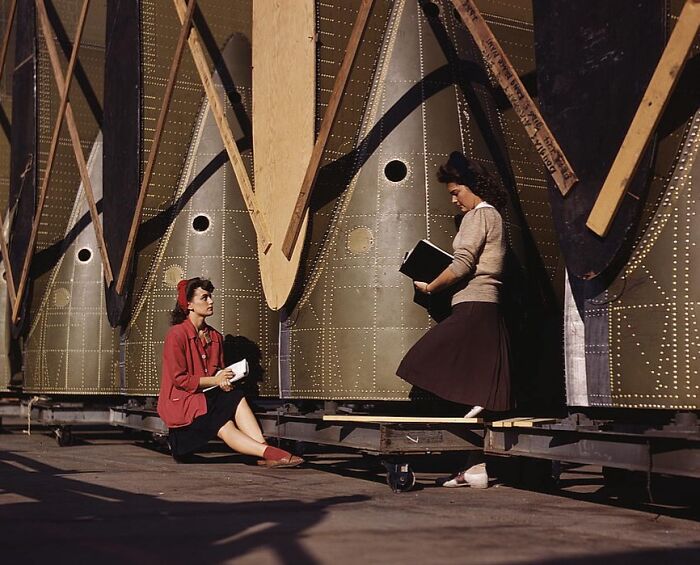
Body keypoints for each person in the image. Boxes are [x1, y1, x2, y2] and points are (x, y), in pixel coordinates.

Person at [396, 152, 512, 486]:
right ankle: (475, 467)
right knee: (471, 379)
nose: (453, 199)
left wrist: (429, 285)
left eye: (456, 191)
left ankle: (478, 401)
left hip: (474, 306)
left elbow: (462, 264)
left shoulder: (479, 215)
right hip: (483, 306)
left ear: (473, 186)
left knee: (419, 361)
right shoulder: (495, 216)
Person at [158, 277, 303, 468]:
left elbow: (217, 372)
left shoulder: (215, 337)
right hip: (185, 416)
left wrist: (225, 379)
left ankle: (265, 452)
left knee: (236, 396)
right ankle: (269, 452)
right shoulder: (176, 335)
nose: (211, 301)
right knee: (223, 423)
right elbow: (179, 379)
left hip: (205, 403)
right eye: (205, 297)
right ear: (189, 304)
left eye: (211, 297)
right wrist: (215, 380)